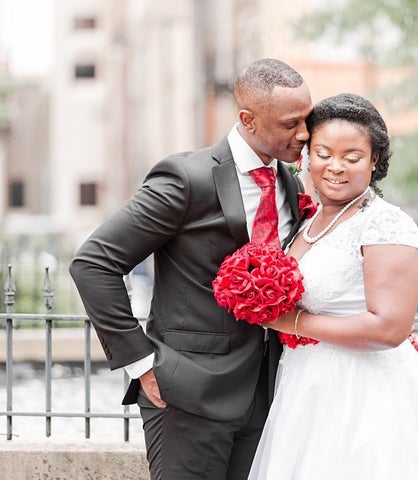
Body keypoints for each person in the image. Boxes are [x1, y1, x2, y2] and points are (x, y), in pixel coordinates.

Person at [69, 58, 313, 479]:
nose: (305, 134)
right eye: (291, 124)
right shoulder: (186, 178)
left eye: (307, 119)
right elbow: (93, 263)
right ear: (248, 120)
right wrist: (142, 364)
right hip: (186, 397)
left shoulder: (289, 183)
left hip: (267, 396)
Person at [248, 93, 418, 479]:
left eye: (352, 156)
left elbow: (389, 328)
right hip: (304, 387)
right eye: (324, 153)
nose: (335, 167)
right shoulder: (305, 223)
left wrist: (286, 322)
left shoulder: (385, 224)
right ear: (307, 155)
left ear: (374, 160)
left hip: (363, 393)